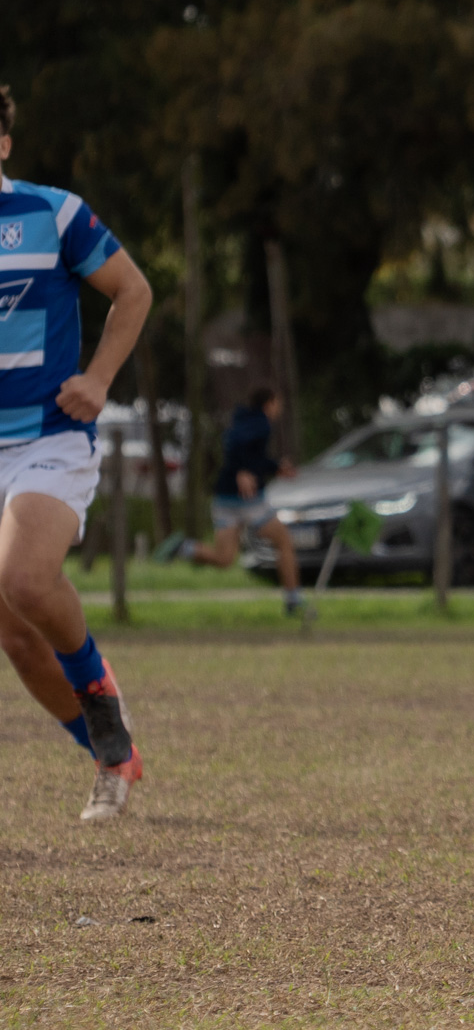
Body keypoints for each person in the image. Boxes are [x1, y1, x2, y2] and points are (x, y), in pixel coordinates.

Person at [0, 84, 154, 821]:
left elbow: (133, 290)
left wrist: (97, 379)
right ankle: (112, 755)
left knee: (26, 579)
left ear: (2, 143)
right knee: (19, 640)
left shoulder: (52, 212)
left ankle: (103, 704)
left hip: (48, 438)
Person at [153, 388, 305, 615]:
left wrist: (275, 468)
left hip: (224, 499)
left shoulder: (242, 419)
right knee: (284, 542)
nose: (279, 409)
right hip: (249, 501)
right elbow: (234, 445)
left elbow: (250, 455)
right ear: (269, 403)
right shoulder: (261, 423)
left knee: (224, 559)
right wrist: (241, 470)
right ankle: (293, 600)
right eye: (278, 403)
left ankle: (185, 547)